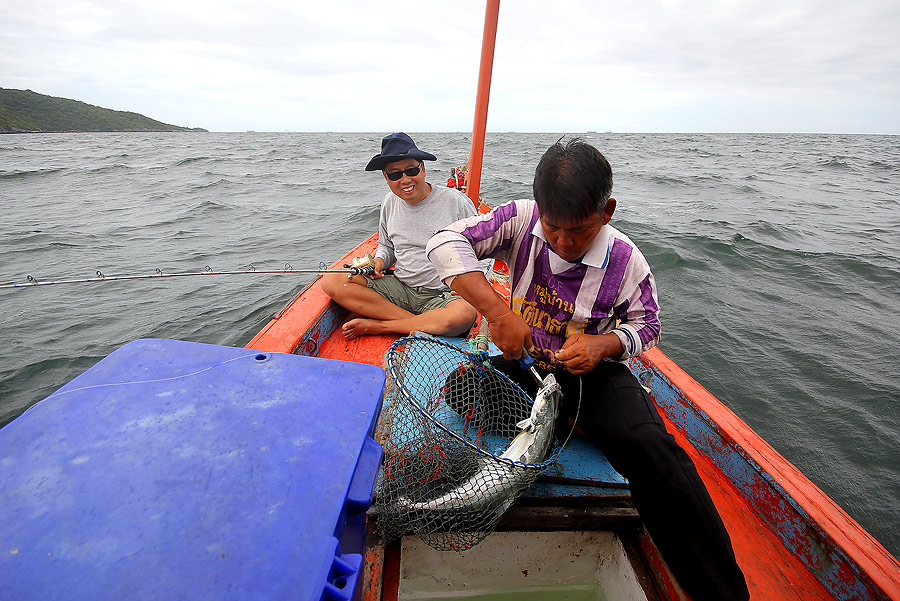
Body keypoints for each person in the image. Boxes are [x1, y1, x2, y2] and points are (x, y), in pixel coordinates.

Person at [425, 139, 749, 601]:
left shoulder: (624, 260)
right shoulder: (519, 219)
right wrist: (497, 312)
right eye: (553, 229)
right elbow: (444, 243)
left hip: (590, 377)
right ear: (539, 210)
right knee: (460, 391)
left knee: (649, 447)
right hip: (530, 368)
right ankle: (563, 423)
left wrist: (604, 344)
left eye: (579, 230)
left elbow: (648, 325)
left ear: (608, 211)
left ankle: (724, 592)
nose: (564, 242)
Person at [321, 132, 478, 340]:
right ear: (386, 178)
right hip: (401, 289)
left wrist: (470, 289)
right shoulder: (389, 202)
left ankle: (383, 326)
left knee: (463, 314)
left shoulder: (455, 201)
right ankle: (421, 324)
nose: (405, 179)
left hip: (443, 294)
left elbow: (483, 249)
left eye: (411, 170)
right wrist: (379, 261)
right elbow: (386, 246)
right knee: (332, 280)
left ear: (423, 168)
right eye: (395, 174)